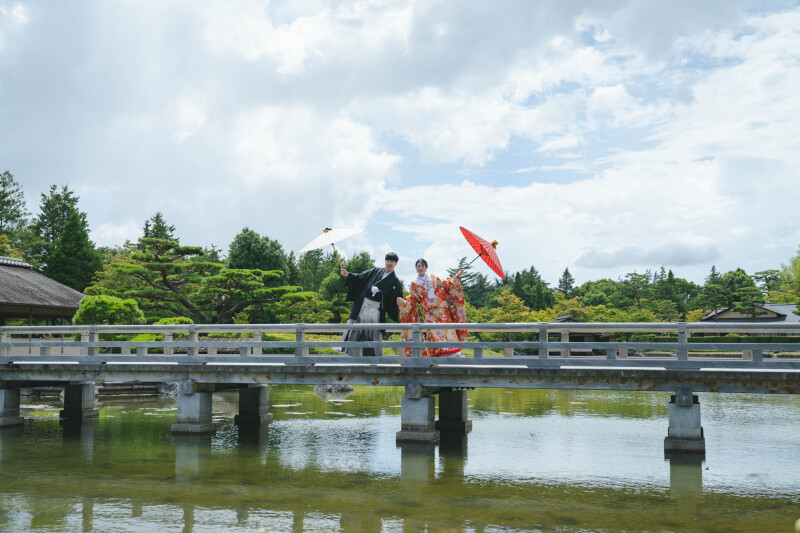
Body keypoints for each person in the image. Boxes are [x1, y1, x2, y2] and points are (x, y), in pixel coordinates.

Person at [397, 258, 467, 357]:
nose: (420, 268)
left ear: (426, 267)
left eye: (422, 266)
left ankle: (455, 353)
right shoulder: (414, 284)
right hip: (429, 313)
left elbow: (447, 285)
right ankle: (439, 355)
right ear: (416, 268)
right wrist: (404, 303)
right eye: (418, 266)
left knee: (448, 330)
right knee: (434, 332)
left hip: (442, 310)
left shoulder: (434, 278)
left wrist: (457, 276)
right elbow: (413, 299)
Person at [339, 252, 404, 356]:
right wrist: (348, 274)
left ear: (396, 263)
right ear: (385, 261)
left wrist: (392, 296)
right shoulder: (375, 271)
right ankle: (353, 356)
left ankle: (375, 358)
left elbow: (396, 297)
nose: (389, 263)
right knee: (356, 330)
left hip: (376, 309)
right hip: (363, 305)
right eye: (387, 261)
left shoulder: (395, 281)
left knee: (374, 334)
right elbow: (361, 277)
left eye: (392, 261)